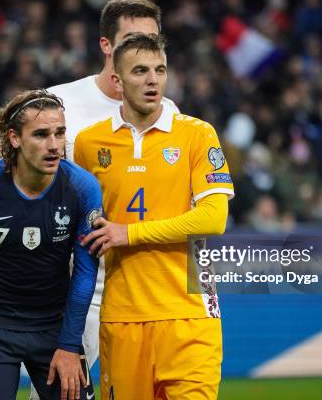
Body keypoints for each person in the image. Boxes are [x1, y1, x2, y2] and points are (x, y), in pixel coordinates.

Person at [0, 0, 179, 392]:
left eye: (155, 42)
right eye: (135, 40)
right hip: (69, 286)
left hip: (137, 282)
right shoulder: (60, 102)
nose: (148, 52)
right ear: (107, 46)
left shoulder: (169, 113)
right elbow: (7, 182)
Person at [74, 33, 234, 399]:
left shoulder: (196, 134)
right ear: (117, 80)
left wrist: (128, 234)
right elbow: (83, 229)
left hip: (191, 311)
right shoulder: (88, 143)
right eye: (141, 71)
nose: (153, 80)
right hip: (122, 315)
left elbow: (213, 219)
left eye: (160, 70)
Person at [0, 89, 101, 400]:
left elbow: (86, 272)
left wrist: (71, 344)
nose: (55, 145)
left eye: (60, 133)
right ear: (14, 138)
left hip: (55, 328)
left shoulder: (82, 188)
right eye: (41, 134)